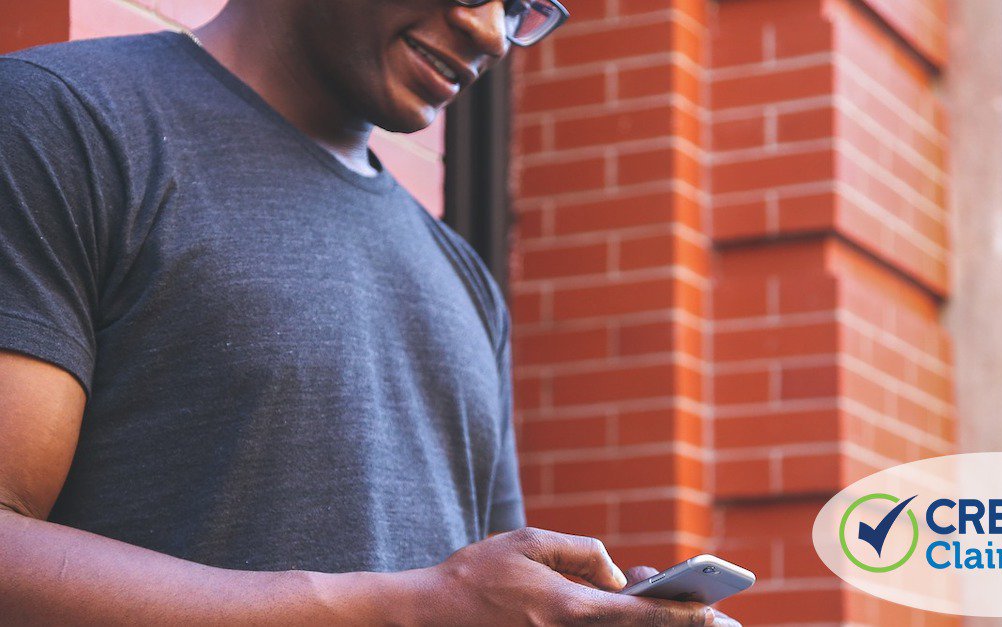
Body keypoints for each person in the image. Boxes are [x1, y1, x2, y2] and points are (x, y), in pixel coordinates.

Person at [0, 0, 739, 624]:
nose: (489, 31)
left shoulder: (463, 277)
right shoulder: (58, 123)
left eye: (519, 9)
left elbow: (477, 596)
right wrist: (407, 605)